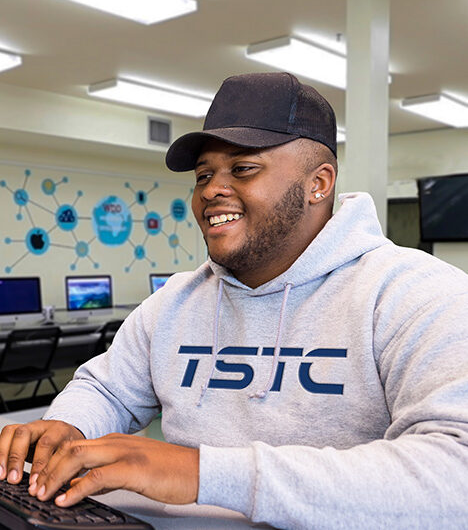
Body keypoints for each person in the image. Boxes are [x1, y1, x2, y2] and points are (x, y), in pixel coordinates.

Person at [1, 72, 468, 529]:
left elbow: (455, 478)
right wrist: (69, 427)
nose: (211, 190)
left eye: (242, 168)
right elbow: (107, 389)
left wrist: (201, 473)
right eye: (204, 174)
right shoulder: (176, 302)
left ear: (318, 183)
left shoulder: (416, 293)